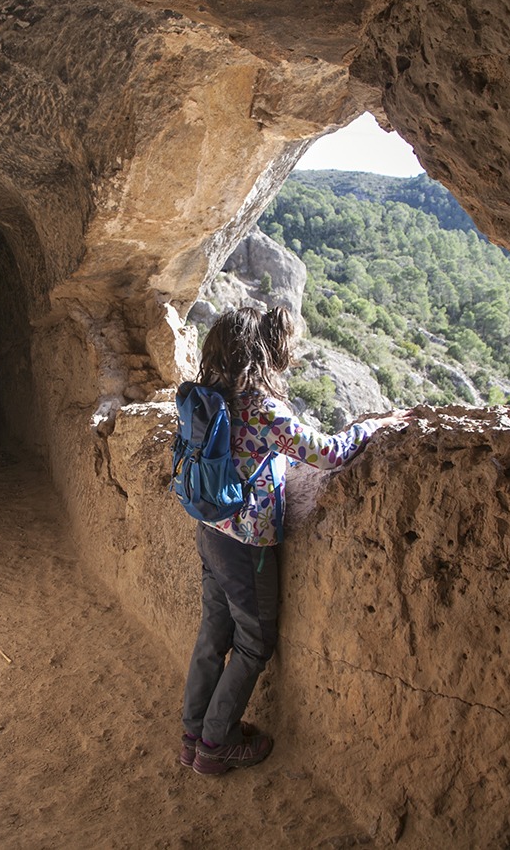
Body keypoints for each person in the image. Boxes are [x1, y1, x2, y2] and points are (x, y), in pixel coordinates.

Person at [180, 306, 407, 775]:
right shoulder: (262, 410)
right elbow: (327, 455)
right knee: (253, 644)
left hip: (210, 532)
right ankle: (214, 746)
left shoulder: (209, 400)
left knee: (212, 635)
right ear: (261, 353)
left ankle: (192, 734)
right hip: (247, 546)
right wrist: (375, 426)